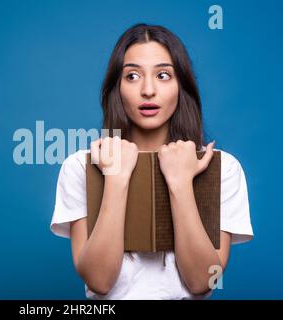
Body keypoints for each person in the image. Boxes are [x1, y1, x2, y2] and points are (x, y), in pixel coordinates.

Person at [50, 23, 253, 300]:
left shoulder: (221, 168)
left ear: (182, 85)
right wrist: (116, 178)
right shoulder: (80, 168)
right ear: (117, 88)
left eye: (163, 75)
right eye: (132, 75)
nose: (148, 90)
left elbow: (202, 281)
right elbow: (99, 281)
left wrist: (180, 183)